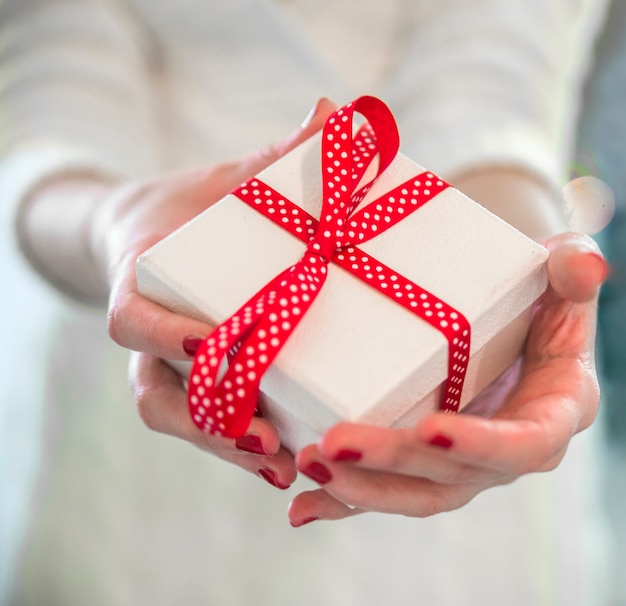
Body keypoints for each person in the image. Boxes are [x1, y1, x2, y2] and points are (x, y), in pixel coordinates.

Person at [0, 0, 612, 604]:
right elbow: (56, 101)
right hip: (168, 295)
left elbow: (490, 89)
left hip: (433, 362)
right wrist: (112, 226)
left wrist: (520, 267)